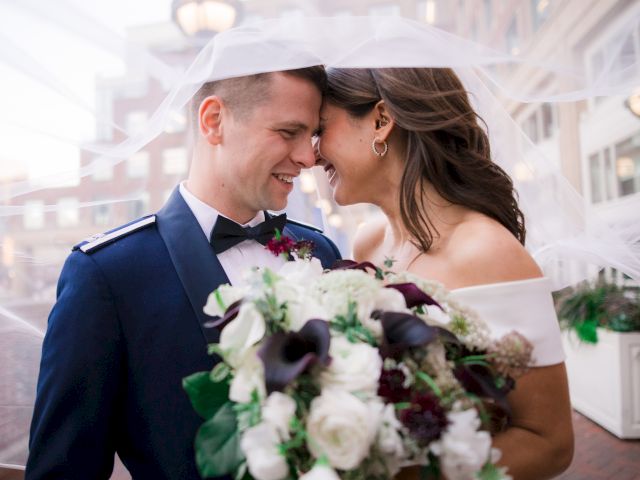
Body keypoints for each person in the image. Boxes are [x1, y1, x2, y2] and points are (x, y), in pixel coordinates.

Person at [26, 67, 341, 479]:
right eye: (288, 132)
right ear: (214, 121)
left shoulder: (322, 252)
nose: (307, 157)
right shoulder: (107, 274)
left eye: (312, 136)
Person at [315, 67, 574, 480]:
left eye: (320, 129)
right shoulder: (367, 245)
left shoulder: (487, 252)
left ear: (381, 121)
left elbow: (550, 442)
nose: (312, 153)